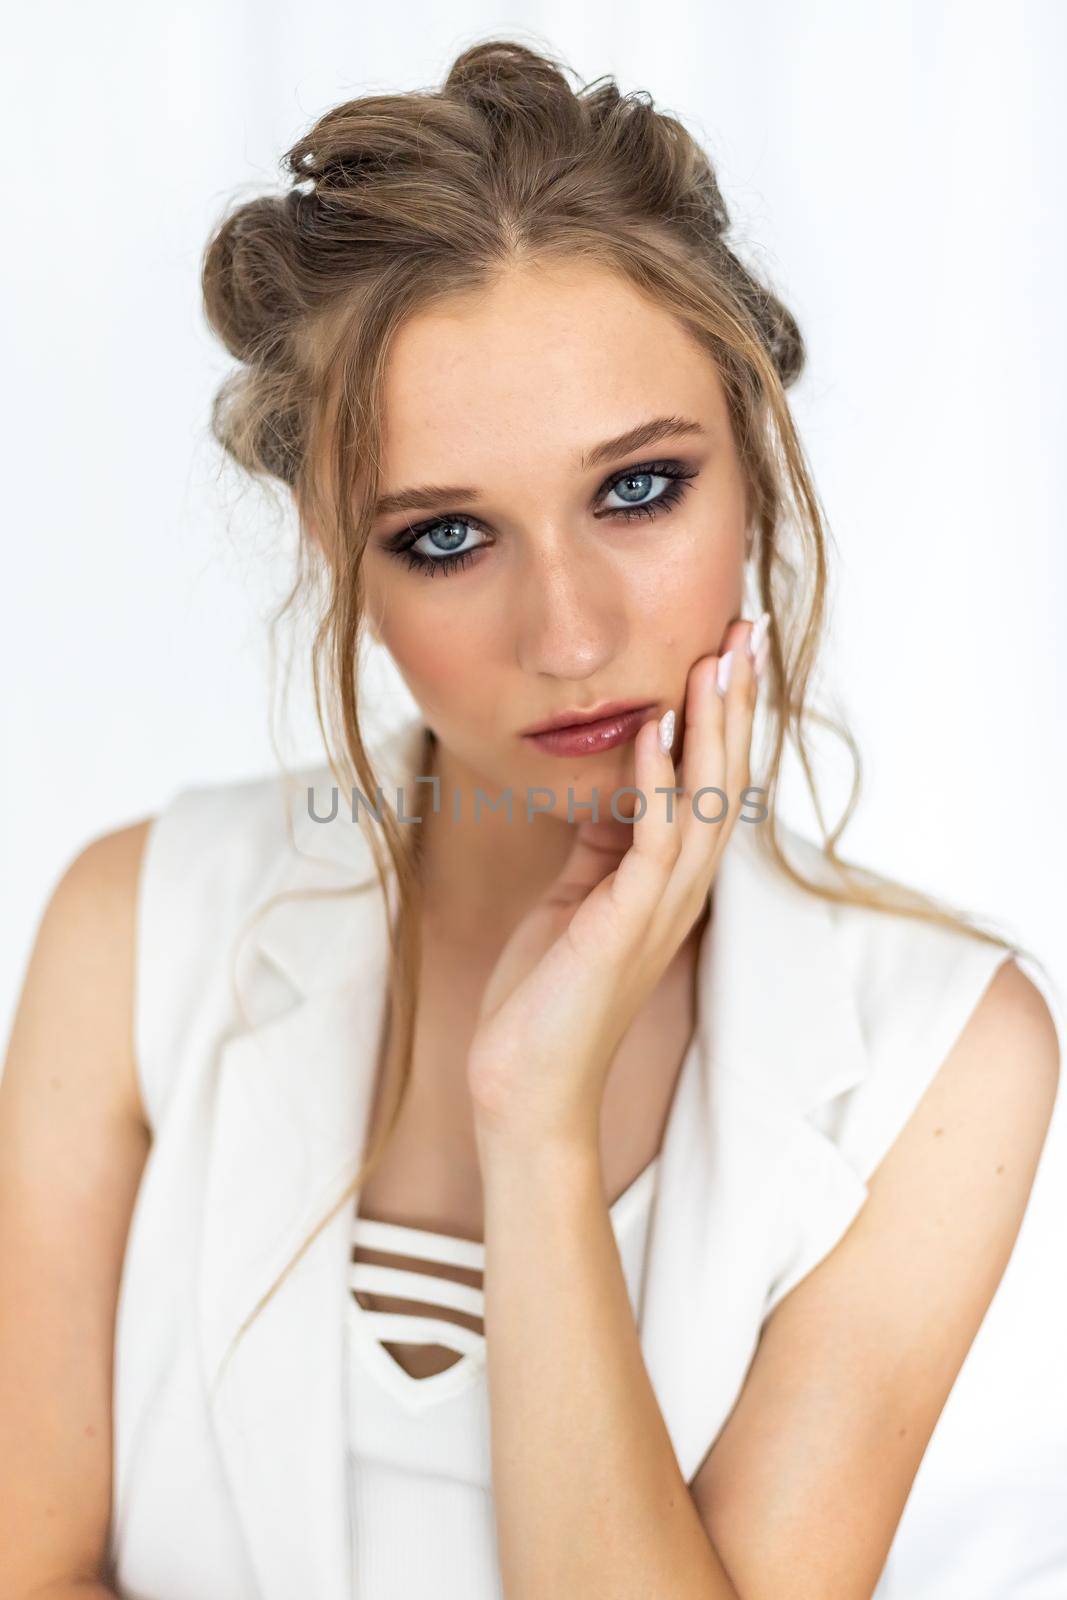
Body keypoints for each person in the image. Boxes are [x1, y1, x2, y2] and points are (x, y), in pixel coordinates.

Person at [1, 37, 1061, 1600]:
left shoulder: (939, 1060)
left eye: (638, 492)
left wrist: (537, 1129)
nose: (565, 636)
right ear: (338, 553)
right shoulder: (135, 930)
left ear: (753, 469)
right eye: (445, 535)